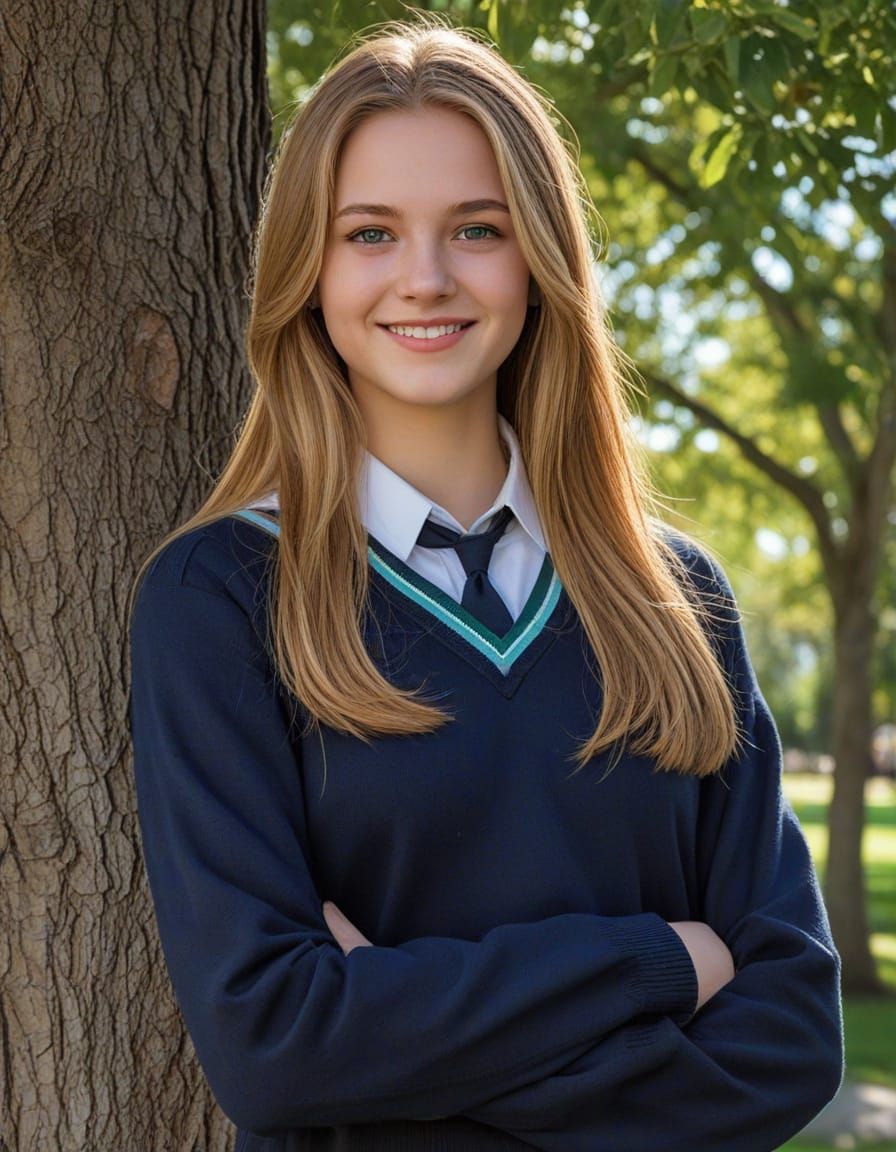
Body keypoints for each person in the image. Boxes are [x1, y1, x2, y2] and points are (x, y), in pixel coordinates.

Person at [127, 14, 844, 1152]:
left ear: (538, 258)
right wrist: (655, 962)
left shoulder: (675, 601)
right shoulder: (216, 599)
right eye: (370, 233)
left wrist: (392, 1024)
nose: (425, 279)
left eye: (476, 229)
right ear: (309, 269)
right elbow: (273, 1045)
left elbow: (794, 1035)